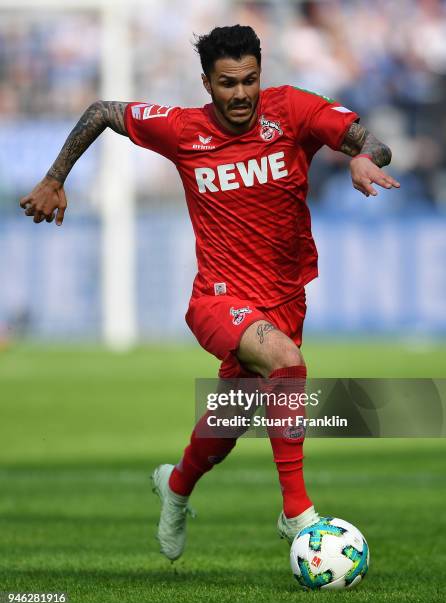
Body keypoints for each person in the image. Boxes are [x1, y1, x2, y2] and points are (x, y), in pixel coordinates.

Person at [19, 25, 400, 562]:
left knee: (229, 421)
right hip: (216, 299)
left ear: (260, 76)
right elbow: (104, 110)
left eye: (249, 80)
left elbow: (373, 142)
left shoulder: (292, 110)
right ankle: (297, 512)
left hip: (285, 299)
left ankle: (175, 485)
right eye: (227, 83)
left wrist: (365, 157)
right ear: (206, 82)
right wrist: (55, 177)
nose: (240, 94)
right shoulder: (182, 130)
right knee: (287, 362)